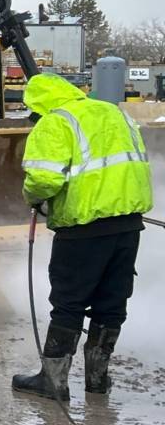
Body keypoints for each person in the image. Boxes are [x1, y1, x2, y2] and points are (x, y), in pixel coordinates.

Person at [12, 73, 152, 400]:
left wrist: (32, 198)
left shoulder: (55, 122)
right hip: (128, 225)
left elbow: (44, 179)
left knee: (69, 301)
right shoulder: (113, 113)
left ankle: (53, 381)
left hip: (83, 226)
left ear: (39, 103)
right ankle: (98, 379)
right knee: (111, 301)